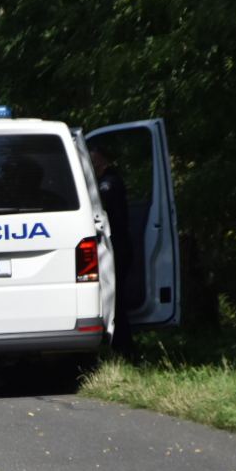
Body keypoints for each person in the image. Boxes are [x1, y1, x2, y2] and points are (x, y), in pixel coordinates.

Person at [90, 144, 133, 355]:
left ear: (102, 159)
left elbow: (99, 199)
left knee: (116, 301)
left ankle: (124, 349)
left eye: (94, 154)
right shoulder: (108, 180)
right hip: (116, 246)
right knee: (115, 299)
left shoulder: (110, 182)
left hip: (117, 248)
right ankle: (120, 347)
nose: (90, 157)